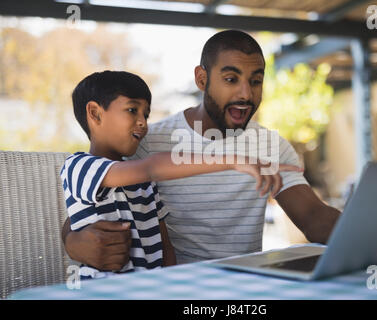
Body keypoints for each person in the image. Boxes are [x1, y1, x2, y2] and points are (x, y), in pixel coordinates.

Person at [62, 30, 377, 270]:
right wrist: (73, 241)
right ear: (202, 79)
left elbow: (315, 220)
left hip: (246, 286)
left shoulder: (270, 146)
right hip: (176, 285)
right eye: (231, 79)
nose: (246, 93)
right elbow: (88, 200)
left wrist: (375, 231)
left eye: (256, 80)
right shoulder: (147, 141)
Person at [62, 70, 302, 278]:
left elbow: (165, 245)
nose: (143, 123)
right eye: (132, 110)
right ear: (95, 113)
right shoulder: (79, 166)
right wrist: (233, 161)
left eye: (145, 114)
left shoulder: (145, 185)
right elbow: (151, 166)